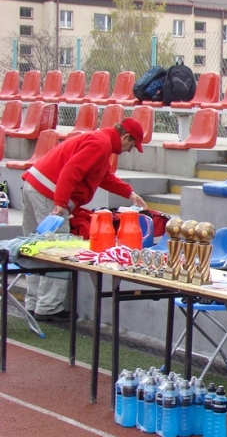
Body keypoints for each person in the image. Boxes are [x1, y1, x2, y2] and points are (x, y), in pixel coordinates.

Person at [21, 117, 147, 321]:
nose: (129, 150)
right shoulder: (101, 144)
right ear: (125, 137)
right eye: (132, 145)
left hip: (35, 184)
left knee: (34, 247)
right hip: (48, 192)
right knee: (58, 248)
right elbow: (71, 170)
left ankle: (34, 302)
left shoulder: (101, 141)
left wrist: (129, 193)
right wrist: (60, 202)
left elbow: (103, 176)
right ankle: (48, 307)